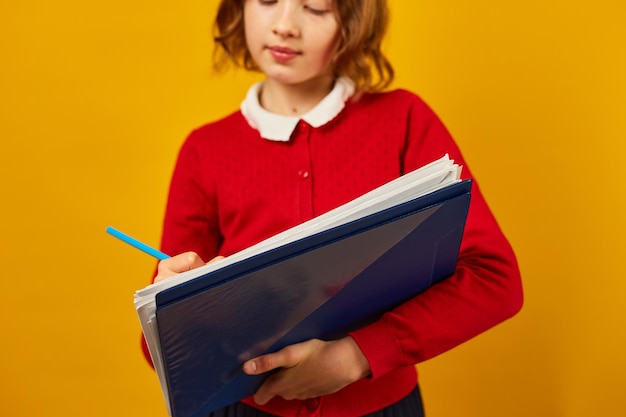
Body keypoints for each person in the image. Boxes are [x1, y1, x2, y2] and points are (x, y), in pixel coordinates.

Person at [143, 0, 524, 416]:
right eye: (268, 1)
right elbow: (161, 351)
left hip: (383, 406)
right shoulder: (205, 150)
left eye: (316, 8)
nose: (285, 26)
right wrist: (173, 303)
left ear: (354, 21)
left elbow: (494, 278)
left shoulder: (404, 121)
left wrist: (359, 354)